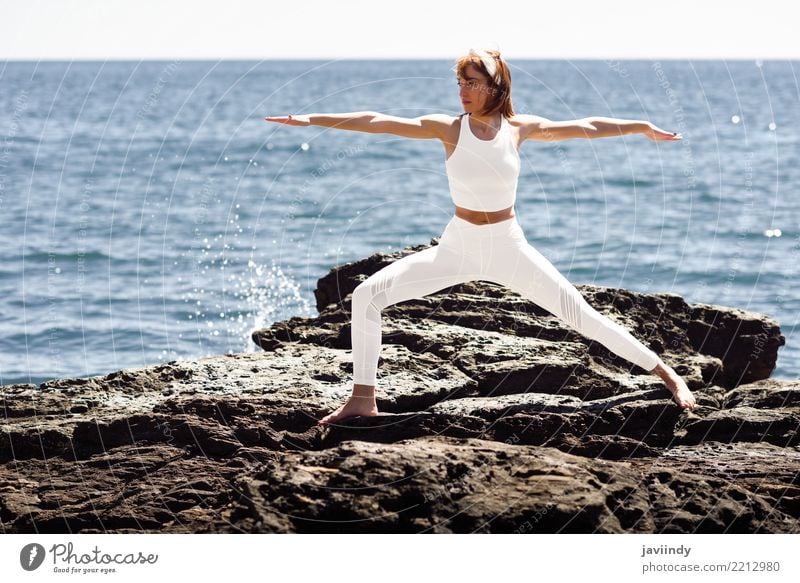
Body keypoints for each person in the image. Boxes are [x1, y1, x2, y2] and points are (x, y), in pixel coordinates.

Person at [264, 47, 697, 426]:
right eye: (459, 82)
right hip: (458, 246)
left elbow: (586, 125)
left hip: (509, 247)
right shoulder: (450, 127)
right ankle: (363, 399)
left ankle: (667, 375)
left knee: (580, 315)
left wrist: (641, 125)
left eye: (471, 82)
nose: (462, 90)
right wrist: (311, 119)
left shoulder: (519, 129)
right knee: (366, 296)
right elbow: (378, 121)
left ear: (495, 86)